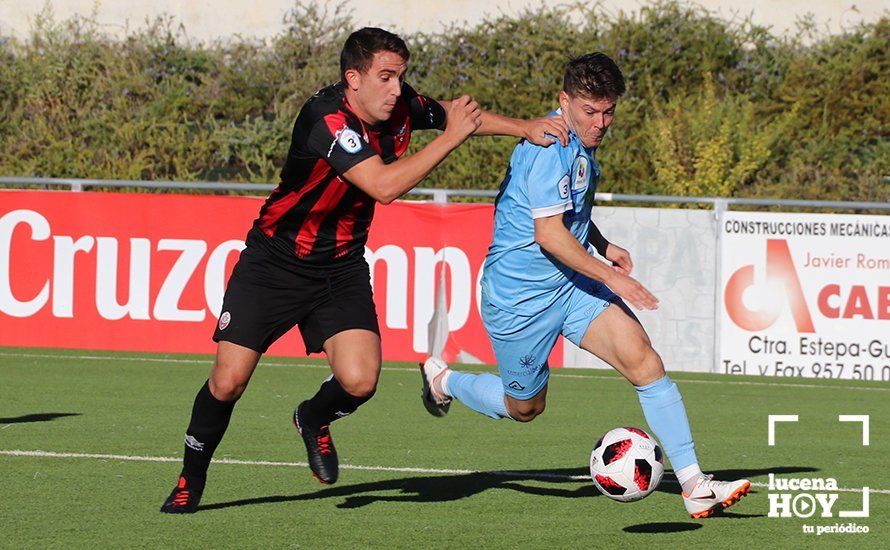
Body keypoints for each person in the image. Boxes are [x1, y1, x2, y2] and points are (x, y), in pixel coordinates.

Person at [160, 27, 570, 514]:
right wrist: (453, 139)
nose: (396, 88)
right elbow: (382, 185)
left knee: (360, 381)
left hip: (340, 267)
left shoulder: (400, 105)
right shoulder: (326, 118)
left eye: (400, 76)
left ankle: (311, 419)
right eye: (385, 77)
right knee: (228, 383)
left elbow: (456, 117)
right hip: (274, 263)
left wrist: (523, 126)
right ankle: (191, 476)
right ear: (352, 78)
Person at [419, 52, 750, 519]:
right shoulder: (549, 146)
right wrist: (615, 277)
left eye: (608, 111)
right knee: (525, 409)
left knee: (644, 359)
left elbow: (570, 214)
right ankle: (446, 379)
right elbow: (549, 233)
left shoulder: (583, 143)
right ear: (564, 101)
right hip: (519, 299)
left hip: (570, 285)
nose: (600, 122)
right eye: (589, 111)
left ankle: (695, 484)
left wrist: (602, 242)